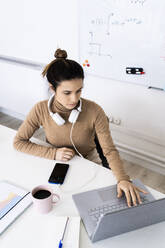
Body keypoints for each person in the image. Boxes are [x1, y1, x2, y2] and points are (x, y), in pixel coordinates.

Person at [13, 48, 147, 207]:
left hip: (87, 161)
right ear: (52, 88)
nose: (74, 99)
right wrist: (53, 153)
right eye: (67, 92)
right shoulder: (40, 109)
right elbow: (19, 142)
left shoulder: (95, 111)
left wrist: (123, 179)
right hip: (55, 165)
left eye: (79, 91)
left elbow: (109, 150)